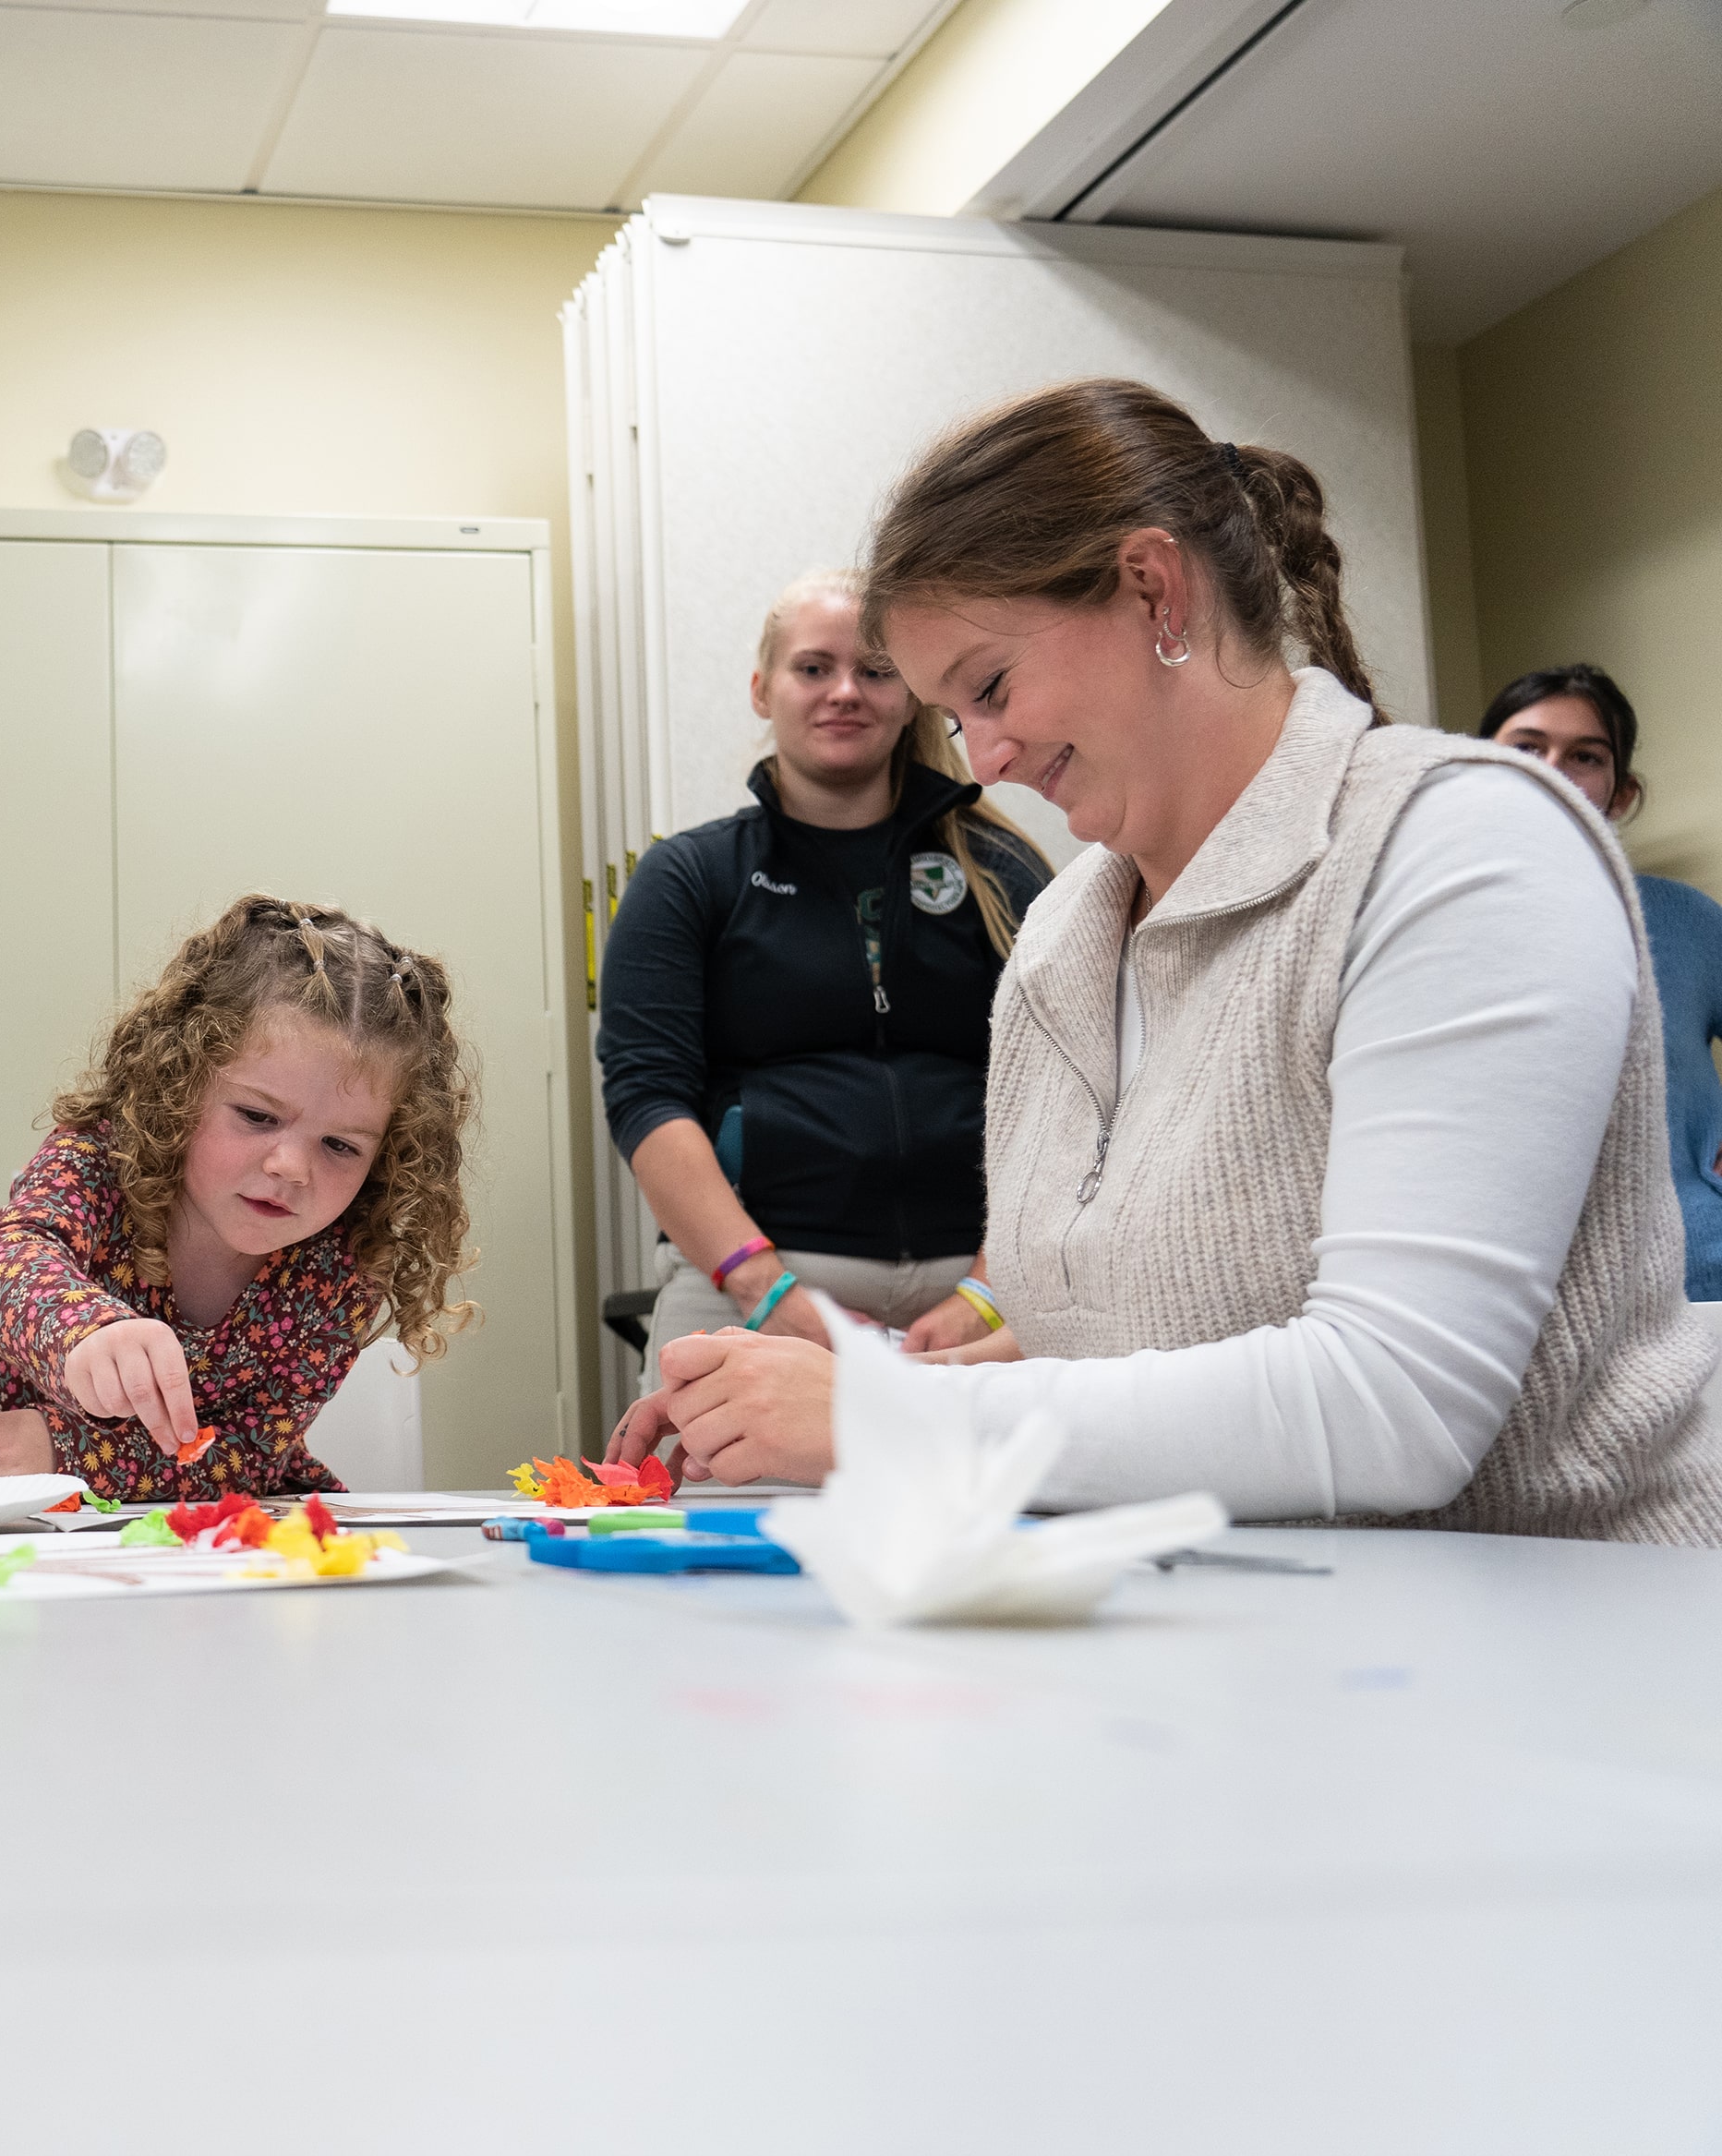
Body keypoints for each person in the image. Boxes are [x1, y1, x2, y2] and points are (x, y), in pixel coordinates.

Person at [616, 378, 1722, 1543]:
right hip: (1253, 1645)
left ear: (1154, 588)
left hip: (1574, 1644)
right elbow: (1133, 1342)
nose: (985, 761)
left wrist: (888, 1413)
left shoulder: (1462, 845)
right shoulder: (1058, 939)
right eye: (956, 714)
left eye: (990, 687)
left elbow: (1395, 1404)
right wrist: (811, 1393)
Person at [597, 570, 1050, 1358]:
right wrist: (762, 1287)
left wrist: (988, 1288)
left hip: (987, 1295)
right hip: (750, 1281)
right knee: (716, 1488)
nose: (845, 691)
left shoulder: (1002, 869)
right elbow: (646, 1095)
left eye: (875, 671)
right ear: (762, 689)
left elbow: (1067, 1088)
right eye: (814, 668)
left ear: (910, 693)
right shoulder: (688, 876)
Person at [0, 896, 478, 1501]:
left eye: (341, 1147)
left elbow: (249, 1454)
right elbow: (3, 1260)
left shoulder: (343, 1268)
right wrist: (83, 1330)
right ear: (179, 1083)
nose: (290, 1166)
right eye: (256, 1115)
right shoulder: (99, 1161)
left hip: (207, 1544)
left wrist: (68, 1452)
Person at [1479, 664, 1722, 1300]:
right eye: (1527, 748)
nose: (1552, 770)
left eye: (1585, 756)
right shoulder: (1428, 924)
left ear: (1620, 794)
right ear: (1477, 772)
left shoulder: (1686, 919)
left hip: (1702, 1270)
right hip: (1521, 1300)